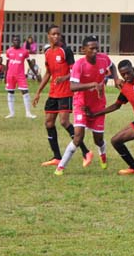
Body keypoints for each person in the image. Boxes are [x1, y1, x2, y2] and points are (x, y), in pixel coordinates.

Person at [53, 35, 120, 176]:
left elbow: (112, 66)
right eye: (92, 49)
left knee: (98, 139)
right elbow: (72, 86)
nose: (95, 51)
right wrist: (92, 84)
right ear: (84, 50)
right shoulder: (79, 65)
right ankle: (60, 167)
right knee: (78, 137)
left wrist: (116, 78)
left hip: (98, 103)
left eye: (97, 48)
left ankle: (103, 155)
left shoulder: (103, 58)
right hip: (81, 104)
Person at [33, 25, 93, 167]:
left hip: (66, 92)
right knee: (48, 122)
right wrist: (38, 91)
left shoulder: (66, 51)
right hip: (53, 92)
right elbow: (48, 73)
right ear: (48, 35)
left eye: (58, 34)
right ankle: (57, 157)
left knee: (64, 122)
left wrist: (64, 78)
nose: (56, 36)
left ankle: (86, 152)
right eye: (53, 34)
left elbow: (74, 71)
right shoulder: (47, 53)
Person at [4, 36, 38, 119]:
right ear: (12, 42)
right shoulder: (9, 51)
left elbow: (30, 63)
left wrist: (36, 74)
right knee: (10, 93)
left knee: (25, 92)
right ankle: (11, 113)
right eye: (15, 40)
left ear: (20, 42)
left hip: (20, 75)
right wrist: (5, 76)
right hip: (10, 75)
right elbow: (7, 64)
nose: (16, 42)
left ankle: (28, 113)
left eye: (18, 40)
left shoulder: (25, 51)